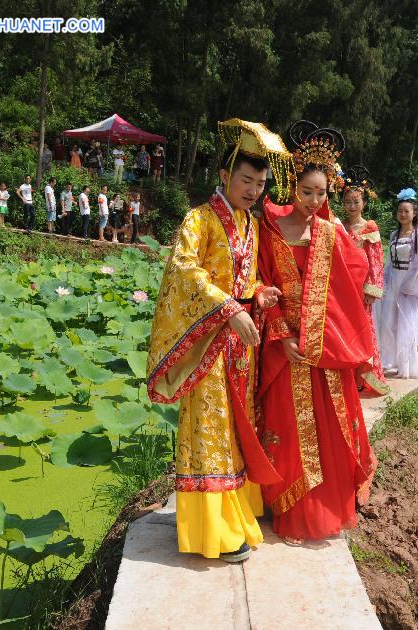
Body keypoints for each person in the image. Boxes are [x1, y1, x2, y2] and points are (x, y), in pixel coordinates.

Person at [146, 118, 286, 561]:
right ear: (224, 176)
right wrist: (228, 308)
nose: (253, 190)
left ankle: (236, 513)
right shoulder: (199, 220)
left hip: (239, 349)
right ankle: (213, 531)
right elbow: (185, 273)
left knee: (234, 432)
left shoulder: (252, 224)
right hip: (208, 345)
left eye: (260, 183)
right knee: (209, 434)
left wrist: (257, 294)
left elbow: (244, 277)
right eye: (246, 180)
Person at [257, 119, 375, 544]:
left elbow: (351, 283)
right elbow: (260, 282)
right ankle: (292, 511)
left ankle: (325, 510)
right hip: (286, 347)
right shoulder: (269, 229)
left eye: (322, 193)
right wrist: (282, 335)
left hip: (324, 350)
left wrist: (332, 331)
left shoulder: (331, 233)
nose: (313, 200)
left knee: (328, 432)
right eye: (307, 191)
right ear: (292, 187)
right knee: (290, 430)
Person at [375, 188, 418, 379]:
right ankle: (389, 361)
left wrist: (412, 287)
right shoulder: (393, 235)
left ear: (414, 213)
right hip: (393, 283)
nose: (403, 214)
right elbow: (390, 262)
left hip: (410, 286)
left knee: (406, 325)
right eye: (400, 211)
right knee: (389, 321)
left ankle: (406, 365)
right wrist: (384, 281)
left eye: (407, 211)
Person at [341, 165, 387, 395]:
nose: (352, 206)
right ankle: (349, 376)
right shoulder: (340, 227)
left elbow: (376, 259)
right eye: (348, 201)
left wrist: (371, 288)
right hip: (345, 288)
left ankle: (364, 376)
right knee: (347, 331)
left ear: (364, 203)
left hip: (362, 289)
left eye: (356, 201)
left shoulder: (370, 227)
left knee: (364, 330)